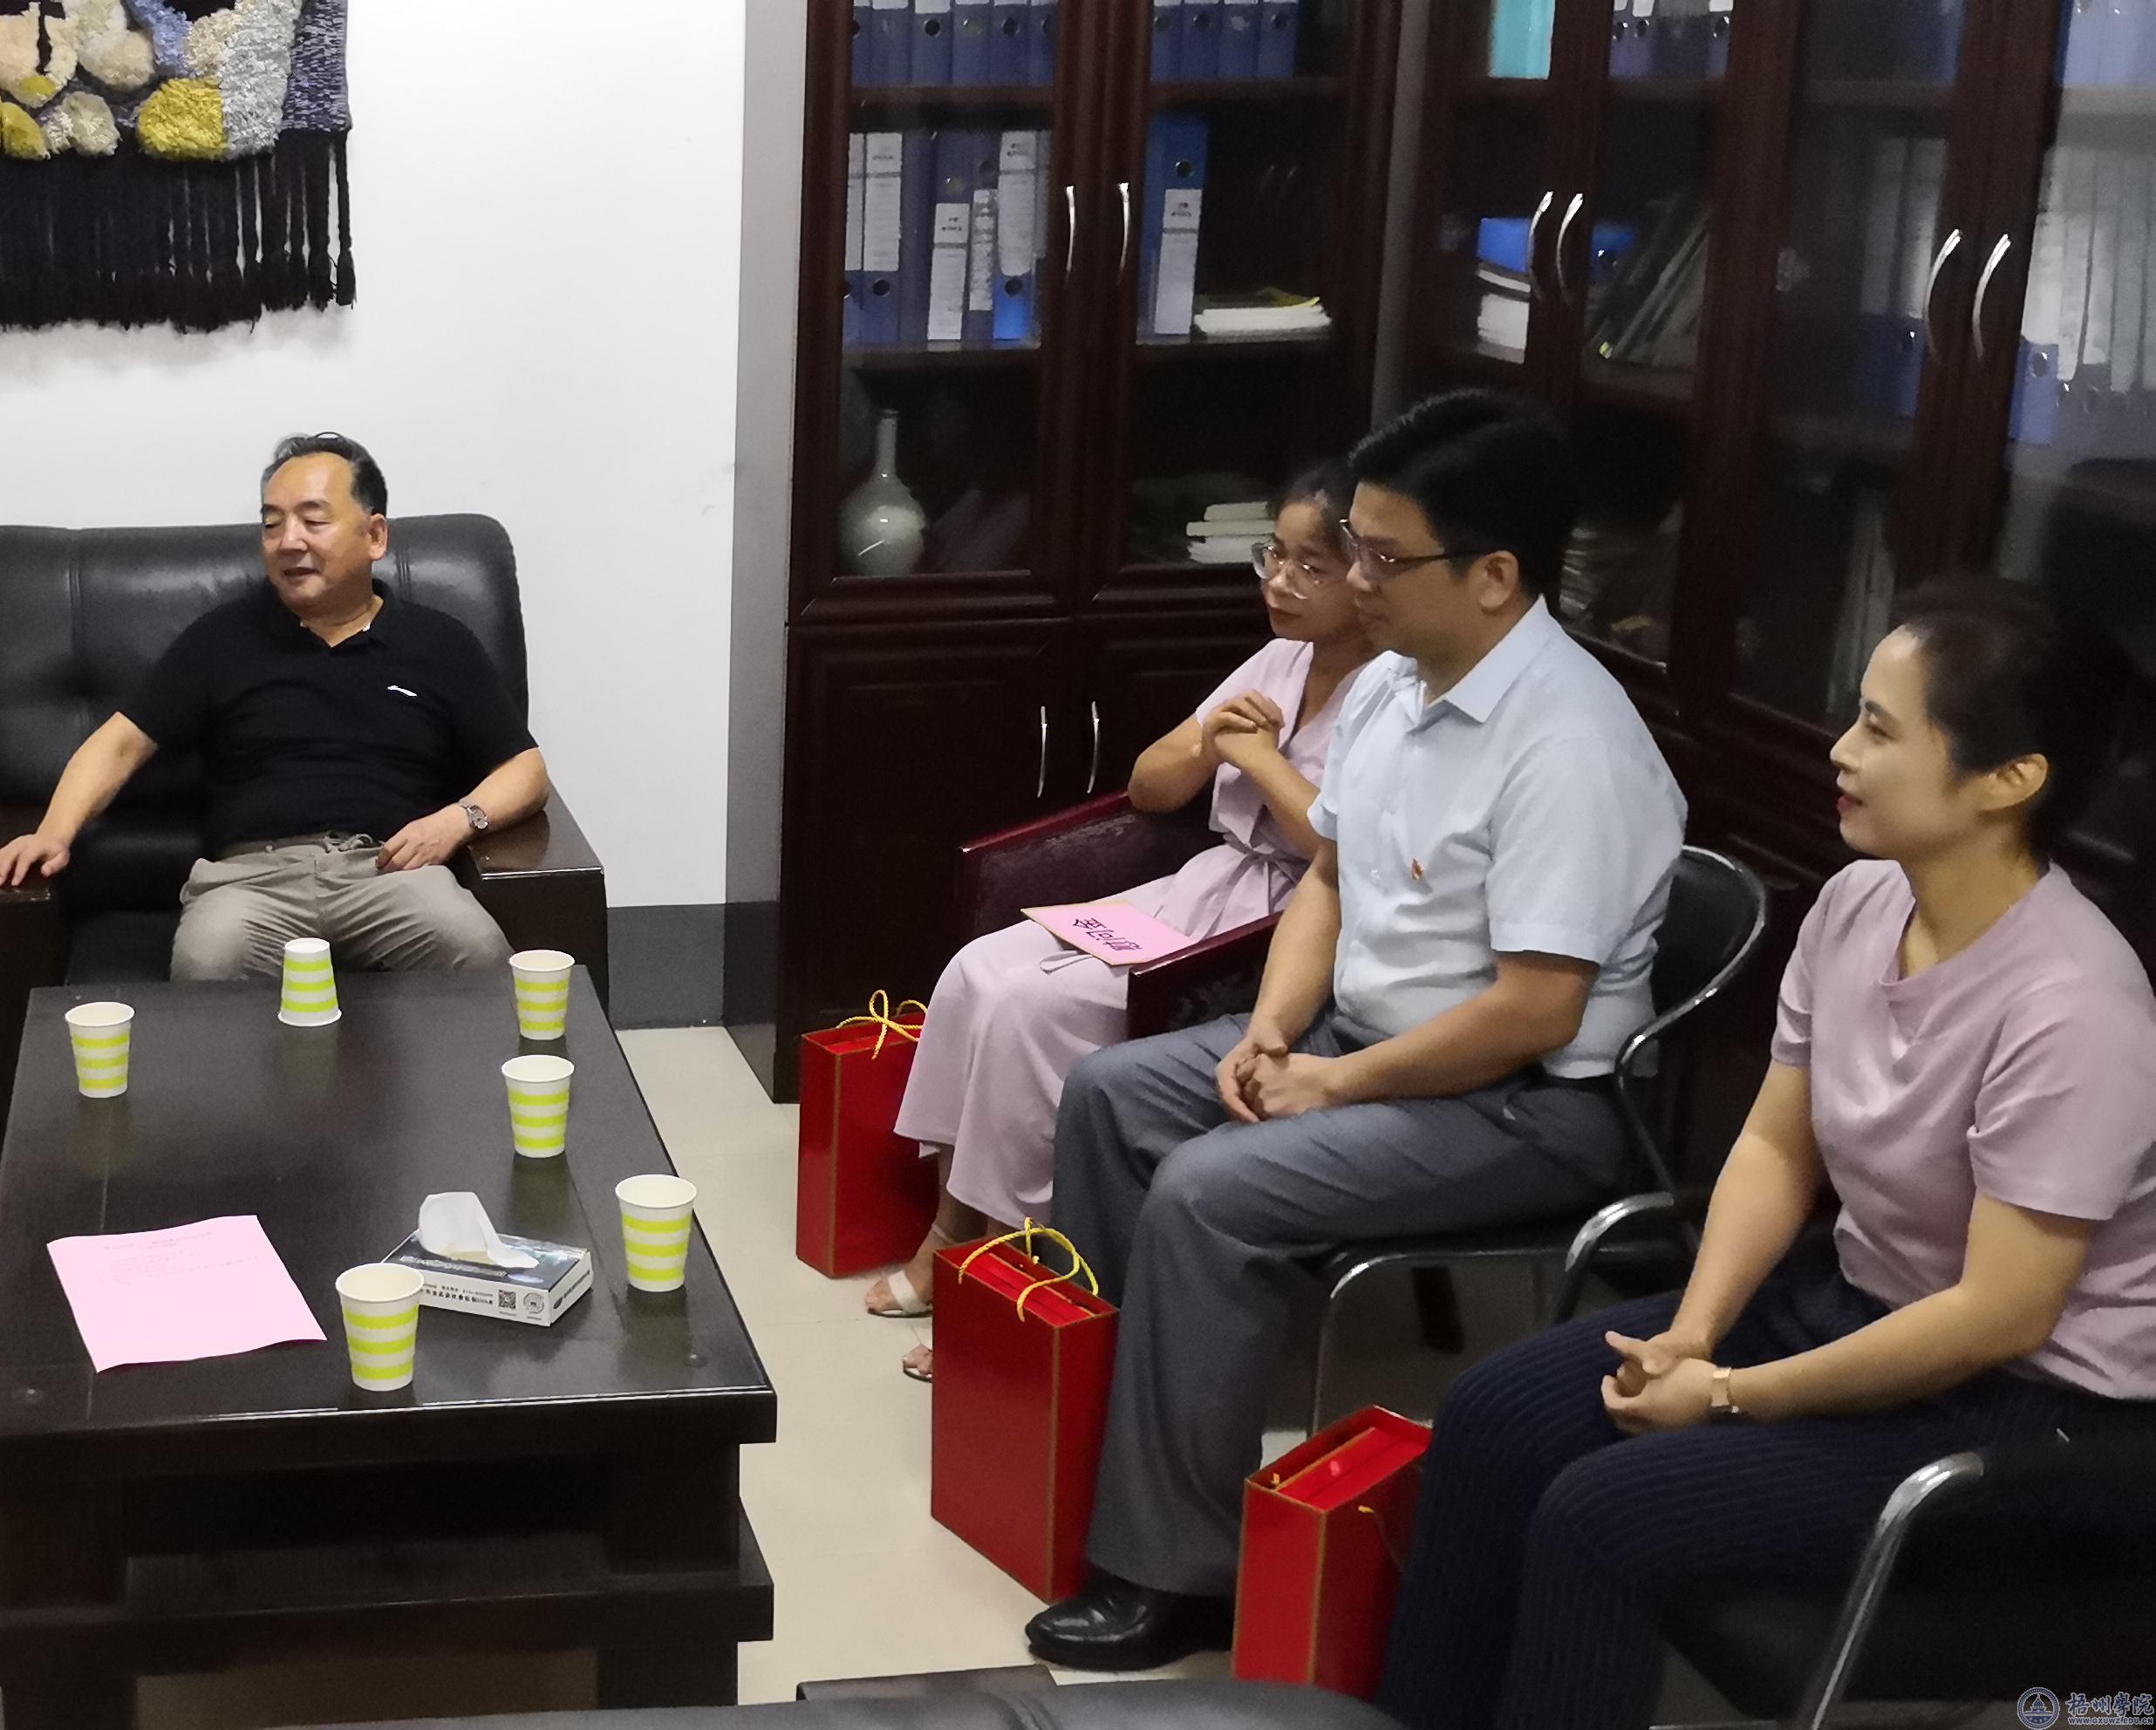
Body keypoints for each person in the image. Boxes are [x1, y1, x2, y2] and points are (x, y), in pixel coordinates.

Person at [1375, 582, 2156, 1730]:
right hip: (1855, 1303)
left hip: (2026, 1412)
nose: (1840, 750)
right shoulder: (1857, 902)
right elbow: (1775, 1145)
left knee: (1604, 1516)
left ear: (2008, 780)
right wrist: (1692, 1334)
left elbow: (1999, 1315)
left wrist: (1730, 1397)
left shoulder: (2075, 1009)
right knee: (1492, 1416)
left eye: (1879, 730)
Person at [1024, 391, 1688, 1669]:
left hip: (1523, 1103)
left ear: (1493, 576)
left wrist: (1331, 1086)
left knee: (1209, 1193)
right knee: (1108, 1094)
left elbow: (1535, 1010)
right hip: (1365, 1041)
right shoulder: (1396, 683)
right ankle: (1102, 1468)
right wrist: (1275, 1031)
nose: (1357, 582)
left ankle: (1175, 1570)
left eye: (1384, 558)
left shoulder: (1570, 745)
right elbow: (1328, 875)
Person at [875, 466, 1379, 1381]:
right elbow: (1150, 784)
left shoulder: (1390, 690)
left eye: (1311, 566)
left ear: (1368, 573)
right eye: (1274, 556)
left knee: (1031, 1013)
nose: (1279, 582)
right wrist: (1208, 742)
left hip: (1280, 922)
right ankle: (951, 1230)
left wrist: (1259, 759)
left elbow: (1336, 851)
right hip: (1204, 885)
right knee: (977, 971)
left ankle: (1019, 1281)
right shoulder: (1280, 659)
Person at [0, 432, 552, 980]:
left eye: (313, 520)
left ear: (375, 536)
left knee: (476, 952)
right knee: (208, 963)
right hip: (250, 880)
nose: (288, 541)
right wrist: (53, 832)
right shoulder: (222, 639)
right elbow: (121, 742)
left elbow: (525, 769)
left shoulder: (439, 643)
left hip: (391, 870)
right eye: (272, 524)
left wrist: (459, 820)